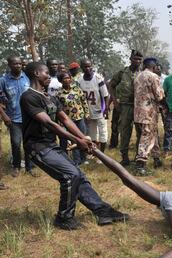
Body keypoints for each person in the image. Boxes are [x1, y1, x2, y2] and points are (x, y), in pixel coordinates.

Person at [20, 62, 129, 230]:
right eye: (46, 72)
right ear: (36, 73)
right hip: (37, 147)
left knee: (79, 175)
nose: (49, 75)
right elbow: (51, 124)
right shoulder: (29, 97)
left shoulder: (49, 96)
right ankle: (64, 217)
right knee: (70, 176)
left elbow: (65, 120)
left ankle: (102, 211)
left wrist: (83, 137)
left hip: (50, 145)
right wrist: (78, 142)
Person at [0, 56, 35, 177]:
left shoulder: (27, 78)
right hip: (13, 118)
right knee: (16, 143)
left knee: (29, 143)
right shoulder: (3, 80)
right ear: (9, 65)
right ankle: (16, 166)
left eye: (20, 64)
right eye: (15, 64)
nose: (18, 66)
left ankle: (29, 167)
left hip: (29, 117)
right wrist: (4, 115)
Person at [109, 50, 143, 165]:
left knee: (140, 132)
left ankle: (139, 157)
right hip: (125, 107)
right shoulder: (122, 73)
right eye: (135, 59)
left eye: (139, 59)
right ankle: (124, 157)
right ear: (130, 59)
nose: (137, 61)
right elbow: (111, 85)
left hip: (139, 107)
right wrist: (114, 100)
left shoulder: (143, 73)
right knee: (125, 132)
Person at [134, 57, 164, 176]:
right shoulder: (153, 76)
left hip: (138, 113)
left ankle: (157, 159)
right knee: (146, 138)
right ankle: (140, 165)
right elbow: (159, 96)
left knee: (153, 135)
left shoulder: (138, 76)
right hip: (149, 113)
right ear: (154, 66)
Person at [57, 71, 90, 165]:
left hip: (80, 117)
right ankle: (76, 161)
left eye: (68, 78)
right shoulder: (59, 93)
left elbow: (84, 102)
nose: (67, 80)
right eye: (64, 78)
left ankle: (84, 158)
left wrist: (87, 114)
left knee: (83, 137)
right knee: (74, 140)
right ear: (60, 81)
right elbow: (59, 108)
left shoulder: (77, 89)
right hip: (69, 121)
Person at [78, 59, 109, 155]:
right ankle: (95, 153)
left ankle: (102, 153)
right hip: (88, 111)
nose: (87, 68)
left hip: (99, 109)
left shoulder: (98, 78)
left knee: (103, 132)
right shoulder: (79, 80)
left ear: (91, 66)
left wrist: (106, 108)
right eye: (85, 67)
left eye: (89, 66)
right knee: (92, 134)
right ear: (81, 68)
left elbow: (106, 95)